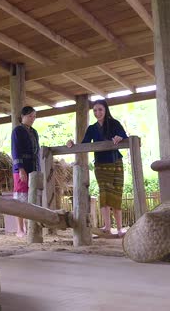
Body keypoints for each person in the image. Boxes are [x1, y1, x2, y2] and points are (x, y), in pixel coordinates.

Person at [66, 99, 128, 238]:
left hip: (116, 162)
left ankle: (119, 228)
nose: (97, 113)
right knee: (104, 194)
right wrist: (71, 143)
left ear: (105, 110)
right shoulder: (92, 129)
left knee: (117, 193)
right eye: (94, 110)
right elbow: (84, 145)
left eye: (100, 109)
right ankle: (107, 227)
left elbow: (124, 137)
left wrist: (119, 137)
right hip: (100, 164)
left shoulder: (114, 123)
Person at [11, 106, 40, 238]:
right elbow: (15, 151)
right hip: (21, 168)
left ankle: (30, 227)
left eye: (34, 116)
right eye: (30, 116)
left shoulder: (34, 132)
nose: (32, 119)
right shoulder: (17, 131)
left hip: (33, 167)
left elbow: (37, 151)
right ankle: (19, 229)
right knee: (20, 198)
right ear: (22, 116)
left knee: (31, 197)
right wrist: (21, 168)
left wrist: (38, 169)